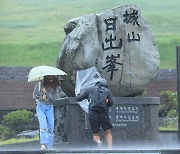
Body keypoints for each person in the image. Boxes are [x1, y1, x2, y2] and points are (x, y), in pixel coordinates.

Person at [76, 81, 114, 149]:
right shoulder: (107, 91)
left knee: (95, 133)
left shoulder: (89, 89)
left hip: (93, 114)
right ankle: (110, 149)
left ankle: (98, 141)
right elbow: (111, 102)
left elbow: (78, 99)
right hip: (104, 113)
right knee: (107, 132)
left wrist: (78, 94)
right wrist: (106, 105)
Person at [33, 75, 66, 150]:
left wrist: (46, 93)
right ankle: (43, 144)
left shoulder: (55, 87)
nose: (50, 80)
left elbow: (54, 99)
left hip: (49, 107)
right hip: (40, 107)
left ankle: (49, 146)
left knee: (51, 126)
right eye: (48, 79)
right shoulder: (39, 85)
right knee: (43, 124)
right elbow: (34, 95)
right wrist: (41, 97)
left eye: (51, 79)